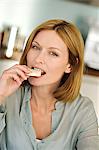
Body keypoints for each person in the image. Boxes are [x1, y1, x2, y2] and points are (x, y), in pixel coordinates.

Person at [0, 19, 99, 150]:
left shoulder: (82, 111)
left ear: (70, 65)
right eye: (35, 47)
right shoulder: (7, 96)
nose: (38, 59)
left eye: (53, 53)